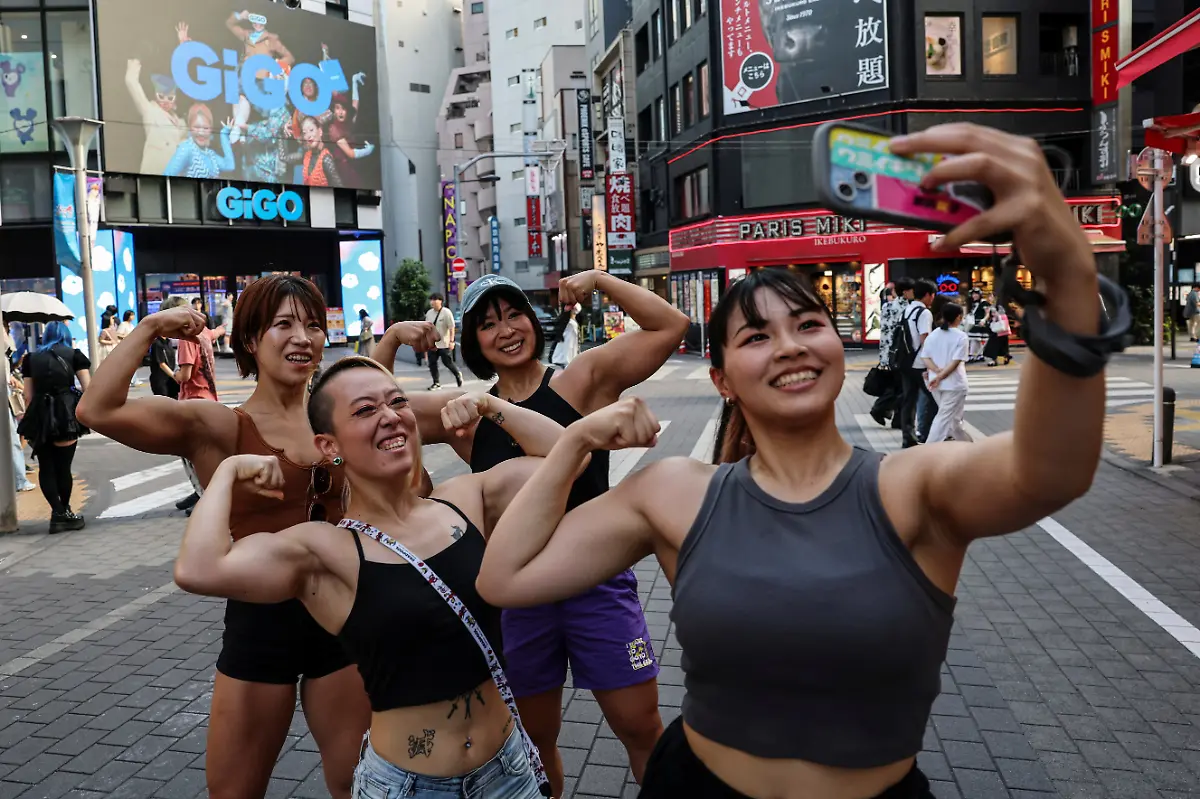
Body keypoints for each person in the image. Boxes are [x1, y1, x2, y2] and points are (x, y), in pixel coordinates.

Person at [477, 123, 1108, 799]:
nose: (789, 346)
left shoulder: (913, 482)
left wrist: (1067, 274)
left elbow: (1052, 470)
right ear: (722, 379)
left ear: (837, 349)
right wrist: (573, 441)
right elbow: (504, 577)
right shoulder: (674, 493)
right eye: (756, 335)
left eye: (808, 324)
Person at [76, 276, 441, 799]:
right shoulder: (219, 426)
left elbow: (381, 401)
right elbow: (96, 410)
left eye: (313, 325)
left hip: (344, 621)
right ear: (250, 340)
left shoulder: (338, 420)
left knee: (357, 785)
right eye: (283, 325)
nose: (303, 338)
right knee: (235, 791)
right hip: (259, 627)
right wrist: (154, 326)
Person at [174, 356, 567, 799]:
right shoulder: (325, 550)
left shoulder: (464, 500)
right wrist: (226, 473)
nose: (389, 416)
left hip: (507, 773)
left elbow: (568, 458)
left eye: (397, 402)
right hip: (408, 788)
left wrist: (492, 406)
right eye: (364, 411)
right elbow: (198, 568)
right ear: (328, 445)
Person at [376, 270, 688, 797]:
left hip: (597, 580)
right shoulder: (467, 412)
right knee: (534, 740)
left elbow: (670, 326)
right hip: (514, 595)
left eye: (514, 314)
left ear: (533, 319)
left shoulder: (580, 380)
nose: (506, 330)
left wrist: (599, 279)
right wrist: (389, 340)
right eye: (488, 323)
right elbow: (367, 407)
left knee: (641, 727)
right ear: (473, 340)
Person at [18, 321, 90, 534]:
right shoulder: (75, 355)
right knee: (63, 467)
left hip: (40, 415)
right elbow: (88, 388)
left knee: (46, 467)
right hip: (65, 414)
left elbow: (28, 396)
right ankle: (64, 513)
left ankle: (58, 512)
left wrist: (33, 418)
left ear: (45, 335)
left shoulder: (31, 358)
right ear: (66, 335)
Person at [920, 303, 973, 445]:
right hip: (954, 384)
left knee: (953, 420)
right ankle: (929, 450)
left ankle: (969, 447)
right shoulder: (961, 336)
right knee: (944, 418)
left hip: (936, 383)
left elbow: (925, 357)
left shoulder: (933, 335)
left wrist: (936, 373)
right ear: (959, 317)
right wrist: (940, 375)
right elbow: (955, 362)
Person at [898, 281, 936, 448]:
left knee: (909, 399)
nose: (933, 299)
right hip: (919, 362)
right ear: (927, 294)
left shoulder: (907, 309)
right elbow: (924, 338)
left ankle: (908, 436)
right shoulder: (924, 312)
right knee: (934, 398)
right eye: (932, 295)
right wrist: (932, 362)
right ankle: (929, 433)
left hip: (905, 361)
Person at [869, 280, 910, 428]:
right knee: (902, 387)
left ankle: (896, 418)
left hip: (889, 351)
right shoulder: (908, 307)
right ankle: (880, 409)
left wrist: (884, 357)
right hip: (903, 352)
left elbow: (885, 333)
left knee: (898, 385)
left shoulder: (887, 306)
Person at [425, 294, 462, 390]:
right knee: (432, 363)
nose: (432, 302)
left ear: (440, 301)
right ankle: (436, 383)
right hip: (432, 344)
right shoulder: (429, 313)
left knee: (447, 363)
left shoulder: (446, 312)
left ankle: (457, 374)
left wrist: (452, 341)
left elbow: (451, 327)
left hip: (444, 343)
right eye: (431, 300)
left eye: (434, 300)